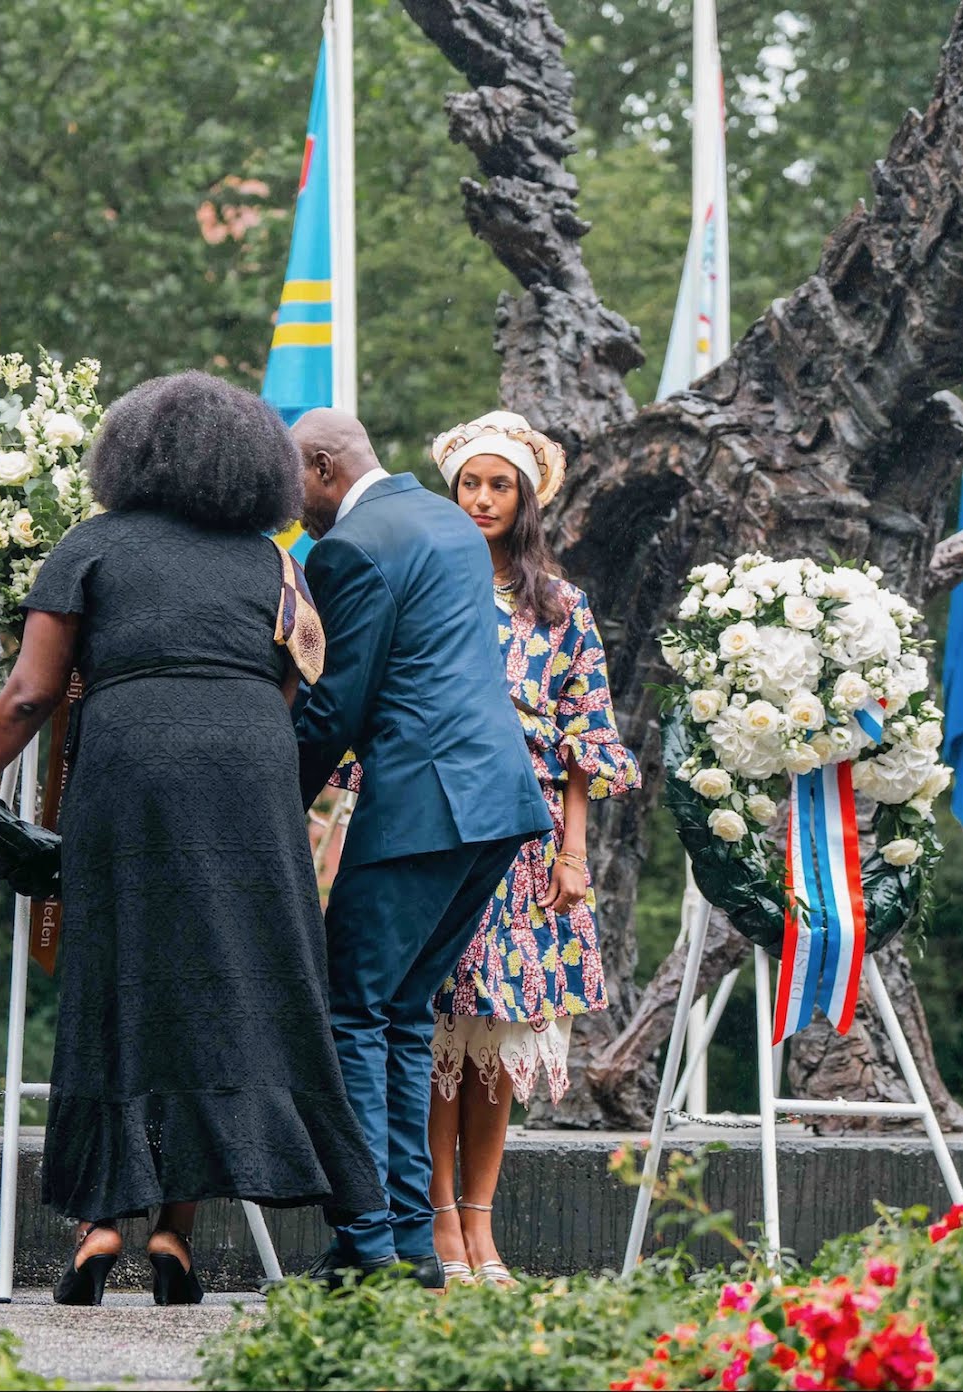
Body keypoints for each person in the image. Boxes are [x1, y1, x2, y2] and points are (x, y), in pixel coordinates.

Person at [0, 372, 381, 1306]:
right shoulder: (273, 559)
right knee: (222, 983)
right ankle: (175, 1231)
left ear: (128, 456)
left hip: (132, 764)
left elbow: (27, 695)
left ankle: (97, 1231)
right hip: (249, 771)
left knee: (117, 977)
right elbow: (295, 687)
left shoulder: (89, 547)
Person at [290, 407, 552, 1289]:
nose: (294, 507)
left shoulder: (351, 547)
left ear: (324, 465)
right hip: (498, 804)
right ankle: (410, 1243)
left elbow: (338, 706)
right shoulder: (443, 522)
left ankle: (367, 1241)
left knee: (351, 1011)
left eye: (296, 483)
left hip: (421, 808)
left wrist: (269, 800)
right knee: (402, 1016)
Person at [421, 410, 641, 1287]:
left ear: (525, 498)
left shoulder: (562, 606)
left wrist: (573, 855)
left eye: (497, 485)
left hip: (532, 836)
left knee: (502, 1040)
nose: (481, 499)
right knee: (441, 1030)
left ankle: (483, 1225)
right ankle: (438, 1220)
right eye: (469, 483)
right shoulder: (430, 585)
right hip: (440, 828)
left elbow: (590, 738)